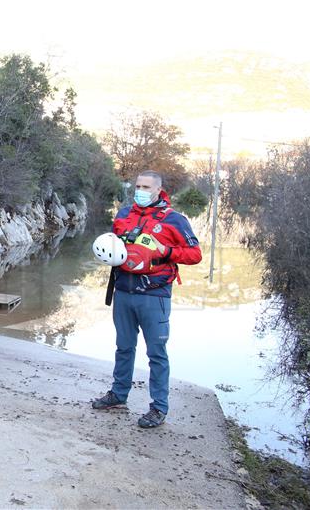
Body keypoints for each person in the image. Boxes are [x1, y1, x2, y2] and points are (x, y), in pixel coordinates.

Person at [92, 170, 202, 427]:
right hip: (123, 291)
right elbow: (113, 244)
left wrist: (166, 250)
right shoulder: (123, 214)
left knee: (156, 353)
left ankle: (158, 408)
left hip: (154, 295)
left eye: (146, 187)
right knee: (124, 347)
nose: (140, 190)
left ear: (158, 190)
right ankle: (118, 395)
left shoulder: (175, 220)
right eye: (138, 185)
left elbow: (195, 254)